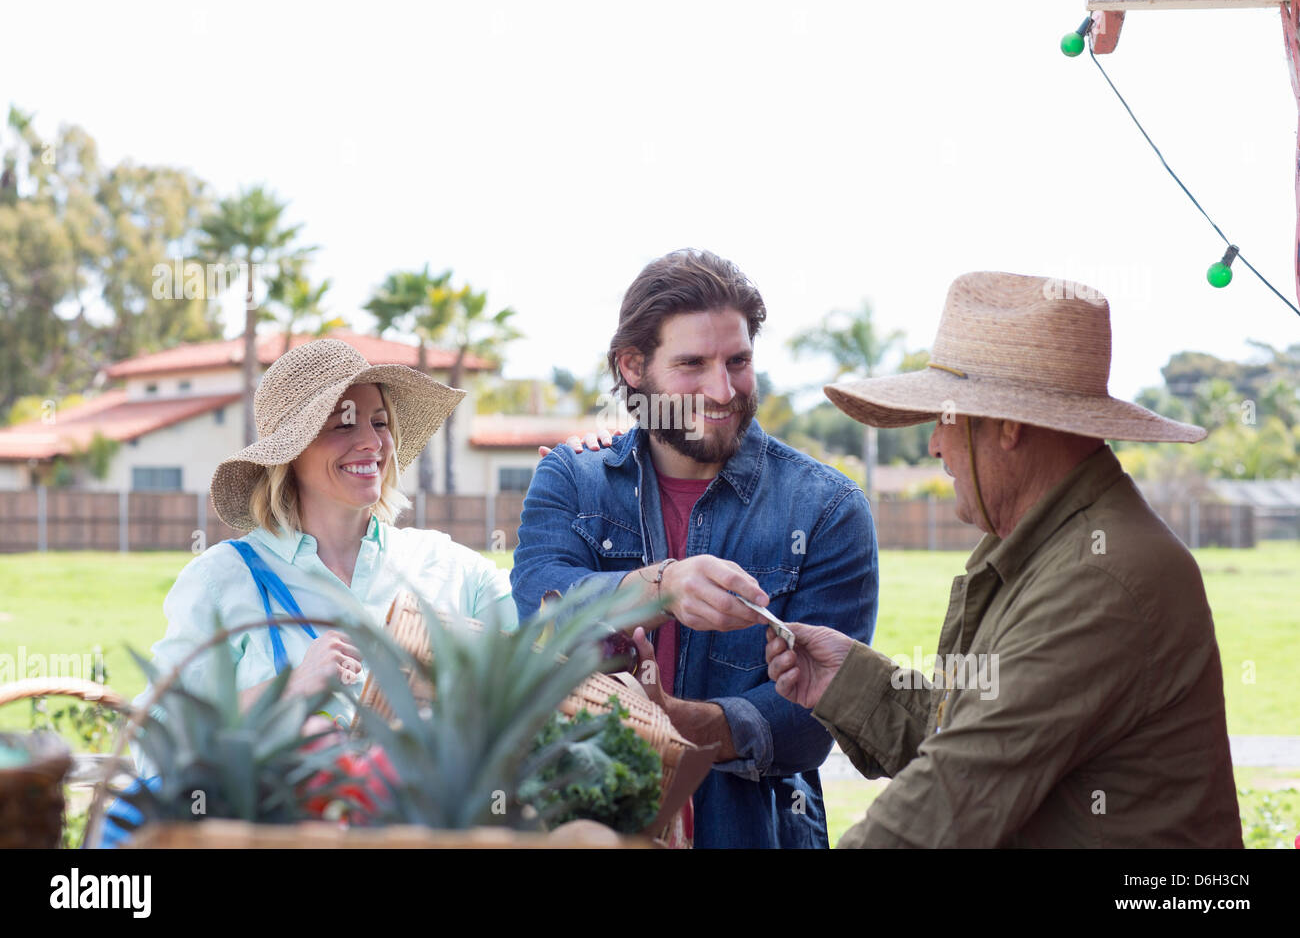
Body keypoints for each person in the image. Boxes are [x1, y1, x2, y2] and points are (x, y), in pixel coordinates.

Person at [749, 271, 1241, 847]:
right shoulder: (1053, 548)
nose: (935, 443)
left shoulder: (1098, 576)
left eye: (946, 418)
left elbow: (956, 791)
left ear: (1008, 426)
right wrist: (850, 682)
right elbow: (981, 731)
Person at [510, 249, 878, 849]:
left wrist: (673, 722)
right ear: (633, 366)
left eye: (738, 361)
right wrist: (661, 588)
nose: (722, 389)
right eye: (692, 364)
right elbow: (539, 609)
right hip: (584, 828)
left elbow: (814, 721)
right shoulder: (572, 480)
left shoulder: (827, 509)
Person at [144, 338, 518, 721]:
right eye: (343, 425)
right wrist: (286, 689)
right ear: (289, 454)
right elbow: (153, 729)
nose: (372, 443)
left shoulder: (446, 566)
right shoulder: (222, 581)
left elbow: (546, 634)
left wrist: (572, 481)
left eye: (380, 423)